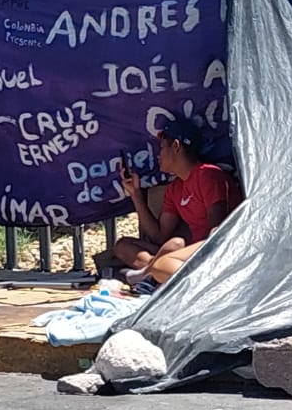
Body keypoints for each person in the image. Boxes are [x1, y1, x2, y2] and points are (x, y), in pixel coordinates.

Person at [102, 117, 243, 287]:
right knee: (123, 246)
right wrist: (136, 195)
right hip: (188, 252)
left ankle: (153, 273)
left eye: (161, 148)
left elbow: (216, 235)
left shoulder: (208, 175)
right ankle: (153, 273)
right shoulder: (175, 188)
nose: (158, 155)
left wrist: (175, 253)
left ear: (176, 146)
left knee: (172, 250)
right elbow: (159, 235)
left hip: (213, 251)